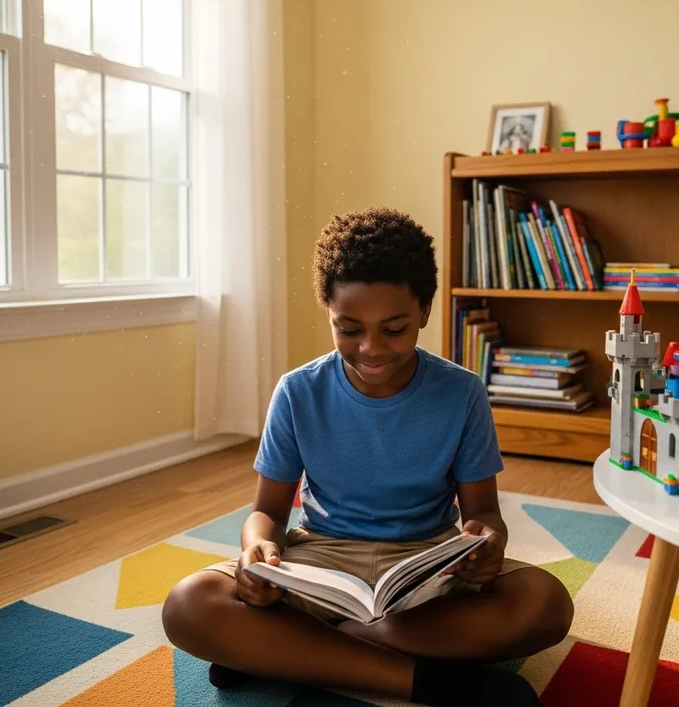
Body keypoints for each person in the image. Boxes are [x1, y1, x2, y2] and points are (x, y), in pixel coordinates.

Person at [162, 208, 574, 706]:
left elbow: (483, 513)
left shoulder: (461, 393)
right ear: (329, 314)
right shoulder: (297, 392)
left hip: (425, 569)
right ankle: (421, 680)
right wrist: (257, 554)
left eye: (394, 328)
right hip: (319, 563)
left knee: (546, 603)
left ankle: (298, 651)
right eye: (349, 328)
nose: (371, 348)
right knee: (188, 604)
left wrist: (485, 546)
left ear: (423, 311)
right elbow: (267, 513)